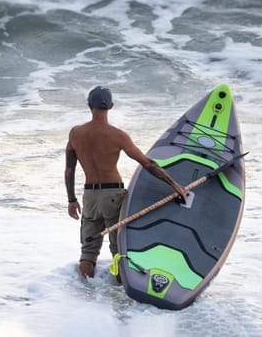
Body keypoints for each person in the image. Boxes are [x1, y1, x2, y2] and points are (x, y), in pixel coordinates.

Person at [64, 86, 187, 279]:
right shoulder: (118, 136)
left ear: (89, 106)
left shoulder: (75, 134)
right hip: (113, 195)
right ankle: (122, 298)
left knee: (88, 251)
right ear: (111, 106)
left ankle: (85, 296)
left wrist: (71, 200)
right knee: (119, 251)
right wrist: (175, 185)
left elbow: (69, 170)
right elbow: (147, 163)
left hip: (89, 197)